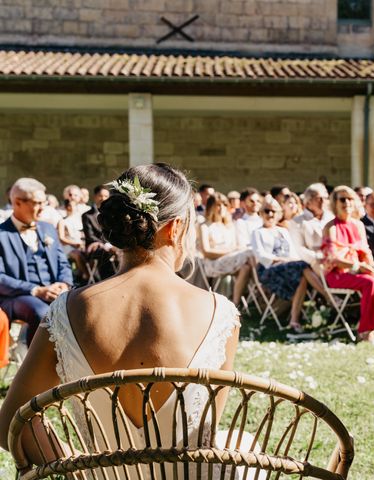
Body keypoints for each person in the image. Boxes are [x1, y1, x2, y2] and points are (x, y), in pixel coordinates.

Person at [0, 164, 248, 478]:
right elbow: (204, 433)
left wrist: (78, 467)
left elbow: (11, 422)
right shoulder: (220, 313)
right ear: (175, 229)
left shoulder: (67, 310)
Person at [0, 178, 73, 345]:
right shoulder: (2, 235)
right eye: (37, 203)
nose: (43, 208)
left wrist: (64, 284)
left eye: (44, 202)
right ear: (18, 202)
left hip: (55, 292)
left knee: (85, 306)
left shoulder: (47, 228)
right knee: (43, 313)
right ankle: (36, 366)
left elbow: (63, 263)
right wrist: (36, 290)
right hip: (18, 296)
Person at [321, 186, 374, 344]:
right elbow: (333, 258)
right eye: (342, 199)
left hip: (358, 270)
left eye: (350, 199)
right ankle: (365, 331)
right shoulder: (331, 227)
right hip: (338, 273)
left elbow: (365, 252)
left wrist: (371, 266)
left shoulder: (358, 225)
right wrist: (358, 267)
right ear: (335, 203)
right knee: (370, 282)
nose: (347, 203)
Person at [251, 197, 330, 332]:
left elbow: (293, 252)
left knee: (303, 274)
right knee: (303, 266)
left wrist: (290, 261)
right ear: (261, 213)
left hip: (291, 267)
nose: (270, 214)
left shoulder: (283, 231)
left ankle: (294, 320)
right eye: (266, 211)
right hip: (269, 270)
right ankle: (328, 296)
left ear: (278, 214)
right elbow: (261, 255)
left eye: (273, 211)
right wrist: (282, 260)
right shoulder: (258, 232)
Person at [199, 193, 254, 305]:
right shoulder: (204, 226)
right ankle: (263, 287)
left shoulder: (229, 226)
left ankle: (234, 303)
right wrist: (231, 251)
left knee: (246, 267)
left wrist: (235, 251)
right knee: (250, 253)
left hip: (232, 261)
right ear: (210, 207)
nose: (222, 208)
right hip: (213, 263)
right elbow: (206, 252)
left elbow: (237, 247)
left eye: (224, 205)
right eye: (218, 205)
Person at [289, 183, 334, 269]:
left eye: (325, 198)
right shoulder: (297, 222)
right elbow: (299, 249)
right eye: (318, 198)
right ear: (308, 202)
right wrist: (320, 258)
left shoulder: (332, 218)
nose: (323, 201)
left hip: (335, 260)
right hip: (312, 264)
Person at [82, 184, 117, 282]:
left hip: (110, 245)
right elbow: (90, 236)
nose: (103, 198)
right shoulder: (87, 216)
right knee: (104, 253)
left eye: (106, 196)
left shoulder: (111, 215)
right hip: (94, 247)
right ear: (95, 197)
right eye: (100, 196)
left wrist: (112, 244)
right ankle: (105, 280)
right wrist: (105, 244)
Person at [58, 198, 88, 280]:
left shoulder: (79, 220)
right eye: (74, 206)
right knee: (77, 254)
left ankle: (89, 273)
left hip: (80, 244)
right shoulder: (62, 221)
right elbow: (61, 238)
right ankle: (86, 276)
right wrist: (74, 244)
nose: (76, 208)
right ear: (68, 207)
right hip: (68, 247)